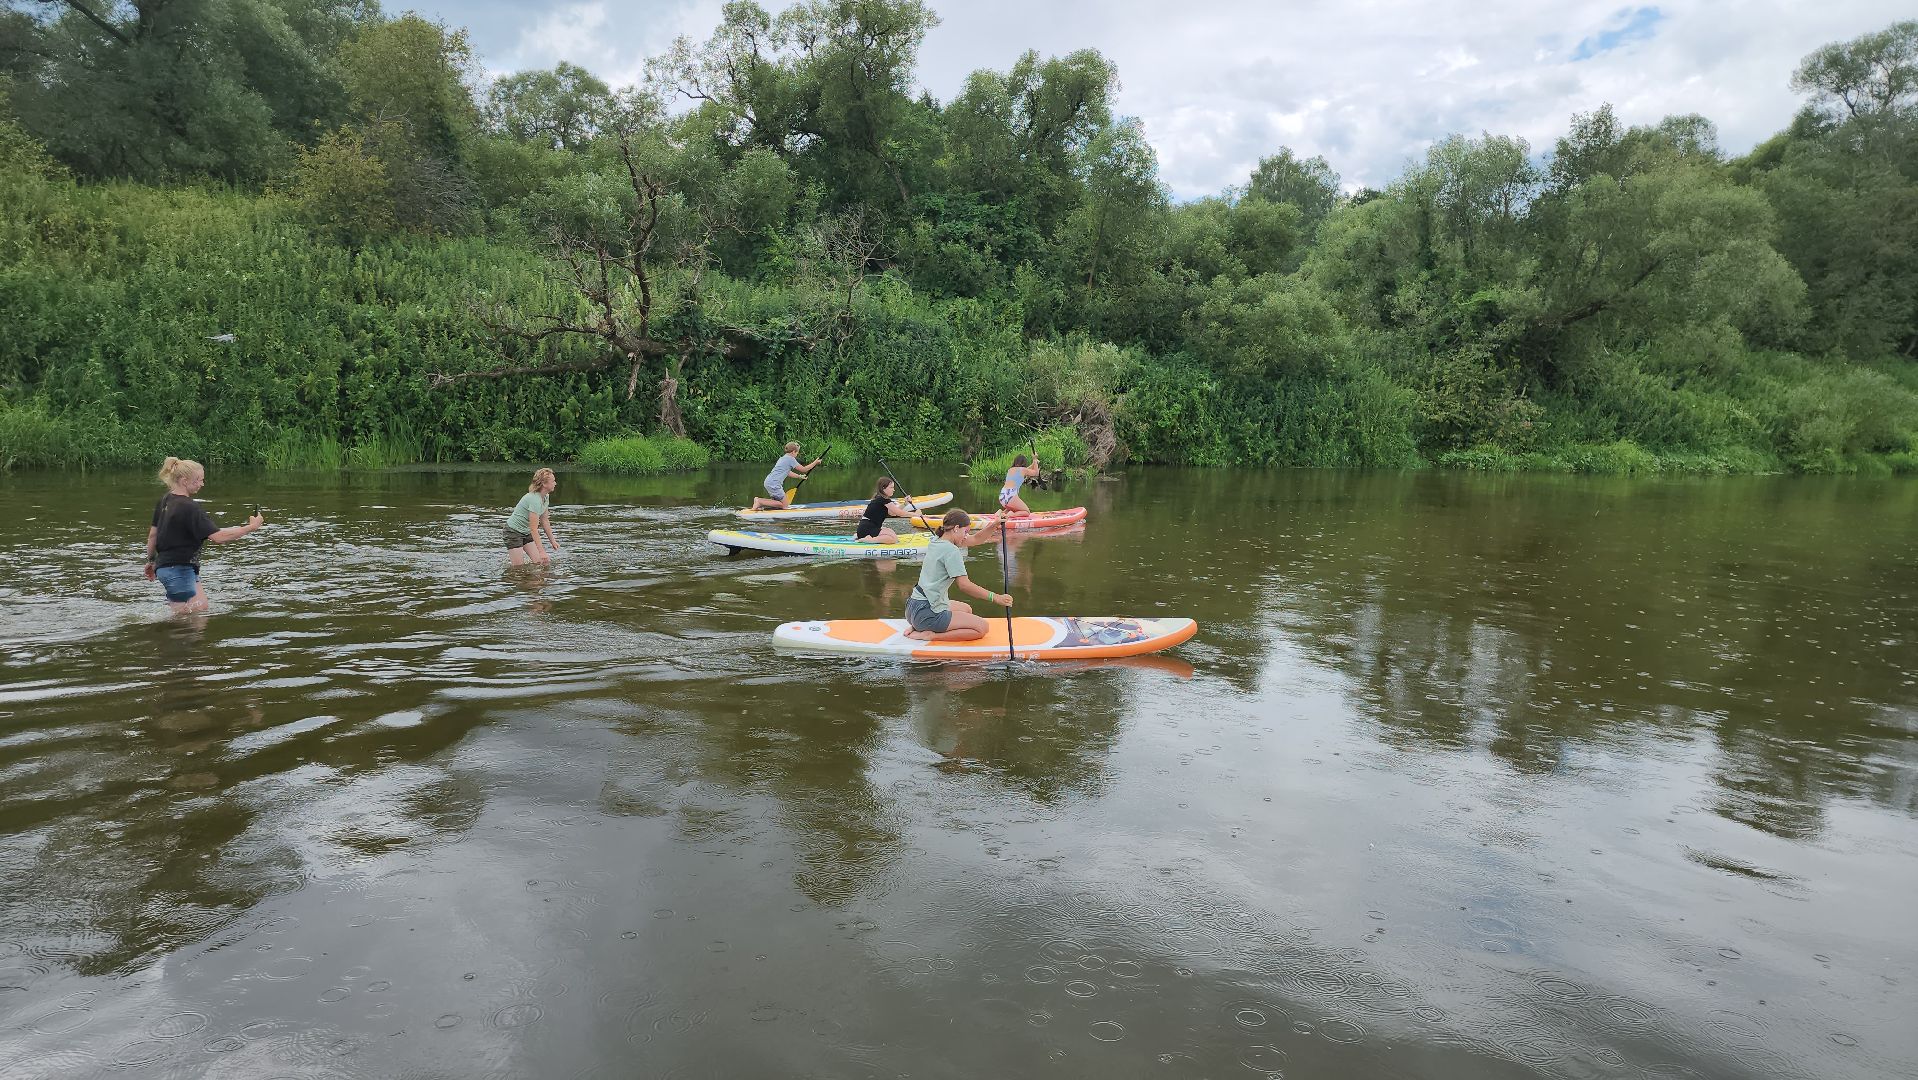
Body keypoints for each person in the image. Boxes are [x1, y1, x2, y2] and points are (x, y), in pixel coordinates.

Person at [144, 457, 264, 614]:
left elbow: (153, 535)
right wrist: (251, 527)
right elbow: (218, 537)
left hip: (169, 568)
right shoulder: (190, 507)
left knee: (200, 609)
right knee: (185, 620)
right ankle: (165, 636)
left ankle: (172, 635)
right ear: (184, 481)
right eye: (199, 480)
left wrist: (151, 561)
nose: (202, 484)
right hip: (178, 570)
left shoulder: (165, 500)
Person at [904, 509, 1011, 642]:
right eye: (965, 532)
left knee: (966, 609)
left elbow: (976, 539)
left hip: (912, 608)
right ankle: (931, 635)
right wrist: (995, 597)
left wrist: (994, 524)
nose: (966, 536)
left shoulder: (936, 539)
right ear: (956, 528)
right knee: (982, 628)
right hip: (927, 613)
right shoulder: (951, 551)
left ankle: (917, 626)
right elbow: (964, 586)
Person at [506, 468, 560, 565]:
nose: (555, 483)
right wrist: (542, 551)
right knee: (518, 569)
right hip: (513, 532)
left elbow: (544, 521)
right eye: (553, 481)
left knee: (541, 562)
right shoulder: (534, 499)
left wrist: (553, 541)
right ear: (544, 484)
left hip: (525, 532)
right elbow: (533, 529)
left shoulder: (546, 496)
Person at [750, 441, 822, 510]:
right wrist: (815, 462)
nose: (797, 454)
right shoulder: (791, 459)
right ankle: (759, 501)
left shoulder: (782, 458)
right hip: (774, 484)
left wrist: (799, 476)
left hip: (769, 482)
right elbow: (804, 469)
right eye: (797, 452)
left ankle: (759, 501)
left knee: (780, 504)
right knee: (785, 505)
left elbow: (788, 472)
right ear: (793, 451)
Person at [854, 476, 913, 544]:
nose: (893, 490)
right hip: (867, 529)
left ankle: (860, 536)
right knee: (893, 540)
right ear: (883, 488)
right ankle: (868, 540)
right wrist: (918, 515)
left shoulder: (881, 498)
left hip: (868, 528)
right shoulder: (882, 499)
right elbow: (899, 513)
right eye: (891, 487)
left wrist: (905, 504)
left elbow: (893, 513)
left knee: (891, 533)